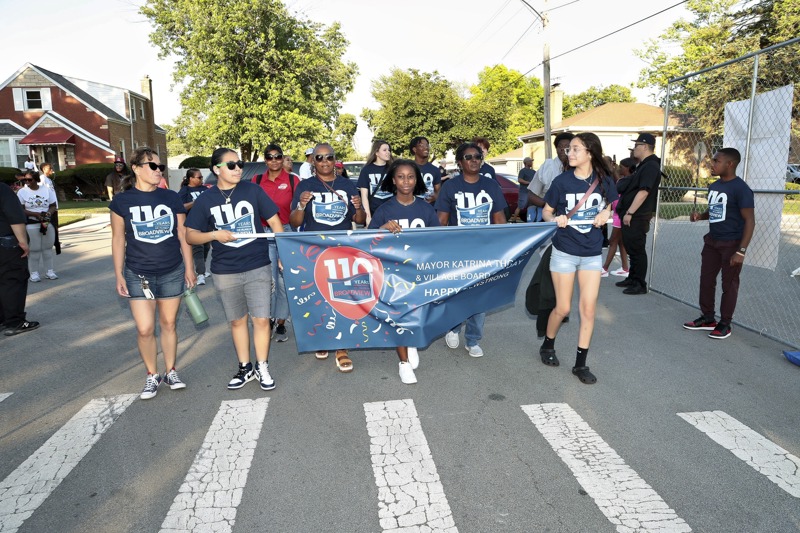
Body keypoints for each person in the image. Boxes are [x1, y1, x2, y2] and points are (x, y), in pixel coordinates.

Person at [186, 148, 285, 391]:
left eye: (239, 164)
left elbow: (274, 221)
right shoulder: (206, 199)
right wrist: (214, 235)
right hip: (225, 270)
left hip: (258, 264)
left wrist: (282, 253)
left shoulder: (253, 190)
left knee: (261, 319)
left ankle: (262, 366)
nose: (238, 168)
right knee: (237, 321)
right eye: (231, 165)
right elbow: (190, 235)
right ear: (216, 169)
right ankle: (245, 367)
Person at [109, 147, 195, 400]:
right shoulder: (121, 201)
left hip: (172, 270)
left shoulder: (171, 197)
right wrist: (119, 274)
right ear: (136, 169)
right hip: (138, 273)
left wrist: (190, 267)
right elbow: (117, 239)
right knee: (145, 328)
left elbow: (182, 233)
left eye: (160, 167)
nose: (159, 171)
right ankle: (152, 374)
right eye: (153, 166)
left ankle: (171, 371)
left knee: (168, 323)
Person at [539, 132, 618, 385]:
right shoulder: (562, 181)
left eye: (575, 149)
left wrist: (606, 213)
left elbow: (613, 205)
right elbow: (546, 212)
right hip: (564, 251)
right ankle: (548, 344)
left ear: (590, 153)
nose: (569, 153)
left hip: (591, 254)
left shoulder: (604, 180)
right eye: (568, 149)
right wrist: (556, 219)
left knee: (588, 309)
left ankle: (581, 364)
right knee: (563, 308)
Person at [290, 143, 366, 371]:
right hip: (314, 251)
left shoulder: (346, 185)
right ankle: (322, 338)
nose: (324, 162)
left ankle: (342, 347)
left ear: (335, 160)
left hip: (343, 250)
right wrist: (301, 205)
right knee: (320, 297)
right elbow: (294, 222)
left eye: (329, 157)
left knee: (342, 296)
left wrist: (358, 207)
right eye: (319, 158)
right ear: (313, 161)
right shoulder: (305, 186)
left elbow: (360, 220)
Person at [368, 159, 440, 384]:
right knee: (398, 315)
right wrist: (382, 229)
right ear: (393, 180)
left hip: (419, 271)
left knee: (417, 315)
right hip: (393, 273)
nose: (406, 181)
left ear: (417, 180)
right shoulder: (384, 210)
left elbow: (438, 241)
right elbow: (368, 241)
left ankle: (411, 343)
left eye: (410, 177)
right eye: (401, 177)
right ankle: (403, 363)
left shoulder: (426, 209)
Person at [435, 142, 507, 358]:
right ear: (460, 162)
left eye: (477, 156)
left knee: (480, 296)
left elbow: (500, 220)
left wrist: (504, 249)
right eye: (468, 157)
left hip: (484, 251)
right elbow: (441, 222)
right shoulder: (450, 187)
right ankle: (454, 327)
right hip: (457, 251)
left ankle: (473, 339)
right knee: (458, 293)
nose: (474, 160)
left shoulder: (491, 185)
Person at [683, 148, 754, 340]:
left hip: (731, 243)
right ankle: (707, 318)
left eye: (716, 161)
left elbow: (750, 220)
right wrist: (700, 216)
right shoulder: (714, 186)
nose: (712, 164)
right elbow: (716, 210)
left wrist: (741, 251)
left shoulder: (741, 188)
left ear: (730, 164)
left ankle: (725, 323)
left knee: (729, 285)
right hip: (712, 241)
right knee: (706, 280)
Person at [253, 143, 301, 343]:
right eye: (269, 157)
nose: (274, 160)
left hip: (286, 232)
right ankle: (269, 320)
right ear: (265, 160)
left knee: (284, 282)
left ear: (282, 158)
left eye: (278, 156)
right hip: (264, 234)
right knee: (269, 281)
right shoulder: (256, 180)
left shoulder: (292, 180)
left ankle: (281, 321)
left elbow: (299, 209)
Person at [616, 133, 662, 295]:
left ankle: (639, 283)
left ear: (645, 146)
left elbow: (644, 191)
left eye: (636, 145)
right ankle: (632, 278)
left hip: (638, 215)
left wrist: (630, 212)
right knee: (631, 248)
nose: (634, 148)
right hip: (633, 214)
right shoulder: (643, 165)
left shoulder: (651, 166)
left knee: (637, 250)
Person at [0, 181, 38, 336]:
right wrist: (23, 242)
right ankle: (15, 321)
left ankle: (3, 318)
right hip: (6, 242)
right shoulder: (2, 189)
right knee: (13, 280)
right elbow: (14, 216)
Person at [17, 171, 58, 282]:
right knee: (34, 249)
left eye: (29, 180)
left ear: (36, 180)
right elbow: (20, 209)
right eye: (25, 180)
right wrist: (35, 214)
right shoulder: (22, 192)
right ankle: (34, 273)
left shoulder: (47, 190)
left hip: (46, 222)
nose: (27, 182)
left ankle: (49, 271)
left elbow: (53, 205)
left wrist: (48, 213)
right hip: (31, 223)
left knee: (47, 248)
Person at [602, 158, 634, 277]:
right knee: (621, 243)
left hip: (620, 216)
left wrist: (611, 168)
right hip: (617, 214)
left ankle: (604, 269)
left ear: (628, 168)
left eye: (621, 167)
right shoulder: (624, 180)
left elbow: (616, 179)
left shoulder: (628, 181)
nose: (619, 168)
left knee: (613, 241)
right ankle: (625, 268)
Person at [178, 168, 209, 285]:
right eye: (199, 177)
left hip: (206, 224)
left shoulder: (205, 189)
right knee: (198, 249)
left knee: (206, 248)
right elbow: (181, 207)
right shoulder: (185, 191)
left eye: (202, 177)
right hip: (193, 225)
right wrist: (194, 203)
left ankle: (201, 269)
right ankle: (200, 274)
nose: (201, 179)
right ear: (191, 178)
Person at [528, 132, 574, 209]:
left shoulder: (580, 167)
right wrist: (549, 207)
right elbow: (531, 195)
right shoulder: (547, 167)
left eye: (567, 146)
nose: (562, 149)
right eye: (560, 146)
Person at [358, 139, 393, 225]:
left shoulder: (393, 169)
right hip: (374, 213)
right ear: (376, 152)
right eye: (384, 150)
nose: (388, 152)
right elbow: (364, 196)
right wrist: (368, 217)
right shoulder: (366, 170)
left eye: (389, 150)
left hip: (392, 212)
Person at [410, 136, 441, 203]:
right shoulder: (408, 168)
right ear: (415, 149)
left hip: (429, 207)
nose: (426, 147)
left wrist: (435, 197)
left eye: (427, 145)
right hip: (410, 206)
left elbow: (438, 191)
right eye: (421, 145)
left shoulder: (435, 170)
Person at [514, 157, 535, 222]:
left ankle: (530, 220)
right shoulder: (522, 171)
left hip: (532, 192)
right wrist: (529, 183)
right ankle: (514, 220)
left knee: (531, 206)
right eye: (530, 161)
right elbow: (520, 180)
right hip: (524, 192)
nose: (531, 163)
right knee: (520, 206)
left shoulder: (533, 171)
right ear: (526, 162)